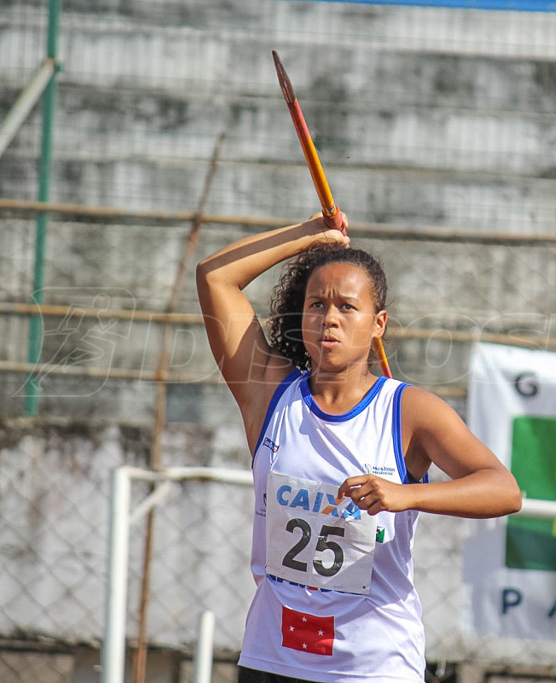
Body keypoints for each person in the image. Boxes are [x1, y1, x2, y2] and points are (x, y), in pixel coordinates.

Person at [196, 212, 521, 683]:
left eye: (347, 307)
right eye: (316, 305)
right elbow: (215, 276)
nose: (329, 319)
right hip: (273, 658)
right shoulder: (269, 394)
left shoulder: (409, 411)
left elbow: (503, 490)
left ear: (378, 323)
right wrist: (309, 236)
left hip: (372, 666)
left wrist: (405, 494)